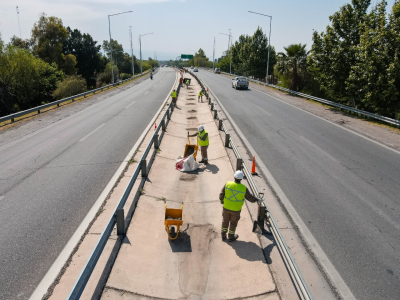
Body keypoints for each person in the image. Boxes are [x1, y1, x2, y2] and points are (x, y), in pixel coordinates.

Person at [219, 171, 259, 242]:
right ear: (241, 179)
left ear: (234, 177)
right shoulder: (243, 188)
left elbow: (221, 194)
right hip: (236, 210)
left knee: (225, 221)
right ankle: (231, 237)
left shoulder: (228, 184)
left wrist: (222, 200)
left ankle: (223, 235)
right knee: (233, 223)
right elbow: (250, 198)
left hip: (226, 207)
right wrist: (257, 199)